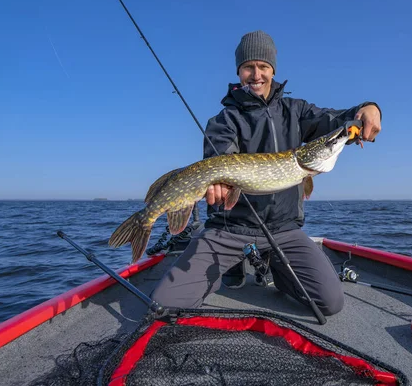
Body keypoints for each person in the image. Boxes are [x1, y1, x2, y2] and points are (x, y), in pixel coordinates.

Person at [151, 30, 382, 316]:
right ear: (239, 71)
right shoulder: (223, 121)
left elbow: (339, 121)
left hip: (284, 230)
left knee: (330, 302)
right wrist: (218, 190)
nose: (256, 74)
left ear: (273, 69)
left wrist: (368, 108)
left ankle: (278, 267)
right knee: (166, 304)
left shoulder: (296, 112)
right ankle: (232, 262)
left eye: (263, 66)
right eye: (249, 67)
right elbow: (220, 161)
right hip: (230, 230)